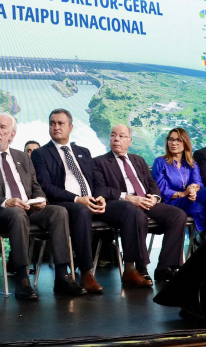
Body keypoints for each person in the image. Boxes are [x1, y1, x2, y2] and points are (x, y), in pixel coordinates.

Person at [31, 109, 152, 293]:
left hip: (93, 200)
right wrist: (78, 199)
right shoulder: (41, 154)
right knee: (82, 210)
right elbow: (46, 186)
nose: (56, 127)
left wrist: (101, 197)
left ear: (70, 127)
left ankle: (129, 268)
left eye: (61, 123)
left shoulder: (83, 152)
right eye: (52, 123)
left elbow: (97, 181)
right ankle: (87, 272)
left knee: (129, 209)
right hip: (67, 203)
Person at [0, 113, 80, 298]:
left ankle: (62, 276)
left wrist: (39, 199)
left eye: (2, 127)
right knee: (17, 214)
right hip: (0, 212)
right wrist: (7, 202)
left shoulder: (23, 156)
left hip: (28, 208)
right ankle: (22, 278)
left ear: (12, 134)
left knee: (59, 212)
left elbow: (35, 186)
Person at [93, 125, 187, 282]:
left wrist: (155, 198)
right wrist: (128, 197)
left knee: (177, 215)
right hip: (118, 205)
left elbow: (151, 183)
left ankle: (165, 267)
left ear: (129, 141)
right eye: (113, 135)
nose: (116, 139)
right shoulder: (99, 162)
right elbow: (100, 189)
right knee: (135, 213)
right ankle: (141, 266)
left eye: (121, 136)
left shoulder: (138, 160)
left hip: (145, 201)